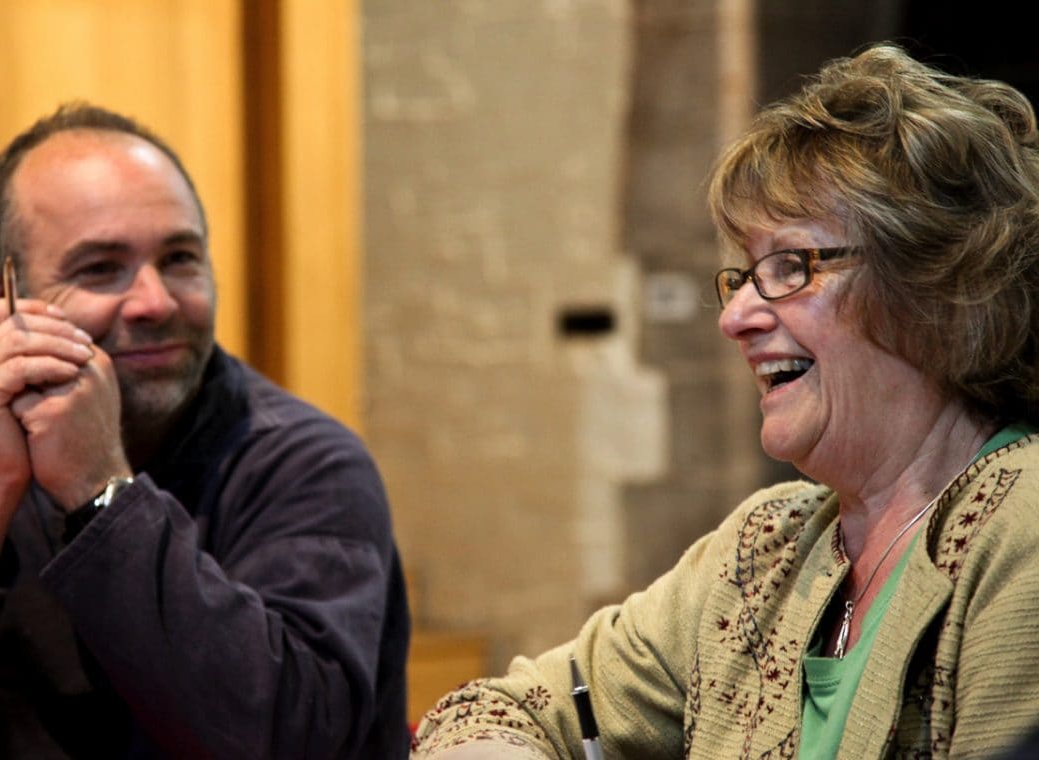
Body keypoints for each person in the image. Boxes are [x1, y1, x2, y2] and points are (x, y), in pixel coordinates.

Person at [411, 42, 1039, 758]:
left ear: (936, 288)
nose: (735, 316)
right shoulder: (765, 548)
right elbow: (503, 706)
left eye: (789, 266)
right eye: (741, 275)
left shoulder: (1020, 528)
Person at [0, 103, 410, 758]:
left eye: (179, 259)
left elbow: (288, 740)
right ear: (3, 301)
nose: (156, 302)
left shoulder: (306, 467)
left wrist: (98, 487)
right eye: (100, 268)